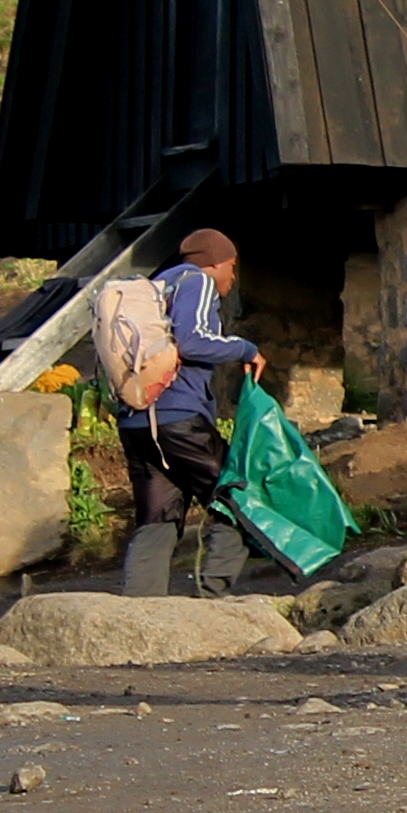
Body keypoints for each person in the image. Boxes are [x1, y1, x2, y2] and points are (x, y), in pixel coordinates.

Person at [119, 229, 262, 594]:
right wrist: (246, 349)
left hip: (137, 421)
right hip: (177, 420)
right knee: (235, 500)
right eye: (231, 266)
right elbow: (193, 340)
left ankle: (138, 611)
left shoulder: (156, 286)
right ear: (215, 262)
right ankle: (212, 600)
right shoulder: (197, 282)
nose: (232, 276)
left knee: (157, 518)